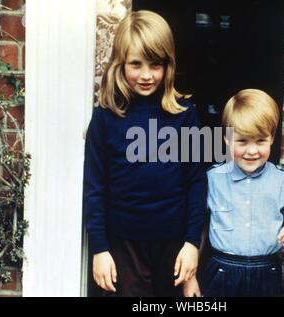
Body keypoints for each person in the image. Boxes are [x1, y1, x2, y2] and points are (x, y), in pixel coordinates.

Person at [83, 10, 206, 297]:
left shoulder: (185, 116)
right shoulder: (105, 118)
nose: (147, 75)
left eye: (156, 64)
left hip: (173, 244)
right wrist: (100, 248)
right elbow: (94, 187)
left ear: (168, 65)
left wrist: (191, 244)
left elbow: (197, 183)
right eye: (136, 64)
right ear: (120, 63)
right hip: (123, 245)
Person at [183, 89, 284, 297]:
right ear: (227, 139)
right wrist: (190, 277)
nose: (251, 151)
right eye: (242, 141)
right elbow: (199, 229)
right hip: (221, 271)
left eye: (260, 141)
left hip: (267, 271)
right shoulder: (212, 179)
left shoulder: (283, 181)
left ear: (272, 138)